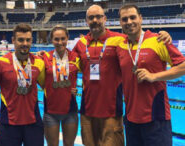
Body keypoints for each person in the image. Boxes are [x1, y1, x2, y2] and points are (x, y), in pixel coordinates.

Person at [72, 4, 172, 146]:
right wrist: (41, 55)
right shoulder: (81, 43)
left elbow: (139, 39)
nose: (95, 20)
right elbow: (66, 62)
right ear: (86, 21)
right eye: (91, 17)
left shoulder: (120, 40)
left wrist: (163, 36)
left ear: (105, 19)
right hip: (87, 112)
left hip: (112, 111)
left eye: (98, 16)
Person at [116, 4, 185, 146]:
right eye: (124, 19)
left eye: (132, 17)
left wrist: (154, 76)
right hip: (130, 120)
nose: (129, 22)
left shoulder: (158, 40)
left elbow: (182, 66)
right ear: (120, 23)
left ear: (140, 19)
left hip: (156, 118)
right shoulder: (120, 46)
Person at [0, 23, 45, 146]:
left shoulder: (39, 63)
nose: (25, 44)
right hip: (9, 124)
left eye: (28, 40)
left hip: (34, 124)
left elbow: (48, 87)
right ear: (13, 40)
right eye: (21, 40)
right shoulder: (0, 63)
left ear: (32, 40)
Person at [41, 24, 80, 146]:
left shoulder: (76, 57)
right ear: (51, 40)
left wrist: (80, 88)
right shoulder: (44, 57)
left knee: (69, 144)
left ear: (67, 38)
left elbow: (91, 74)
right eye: (56, 39)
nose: (60, 42)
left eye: (63, 38)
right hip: (50, 111)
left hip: (71, 110)